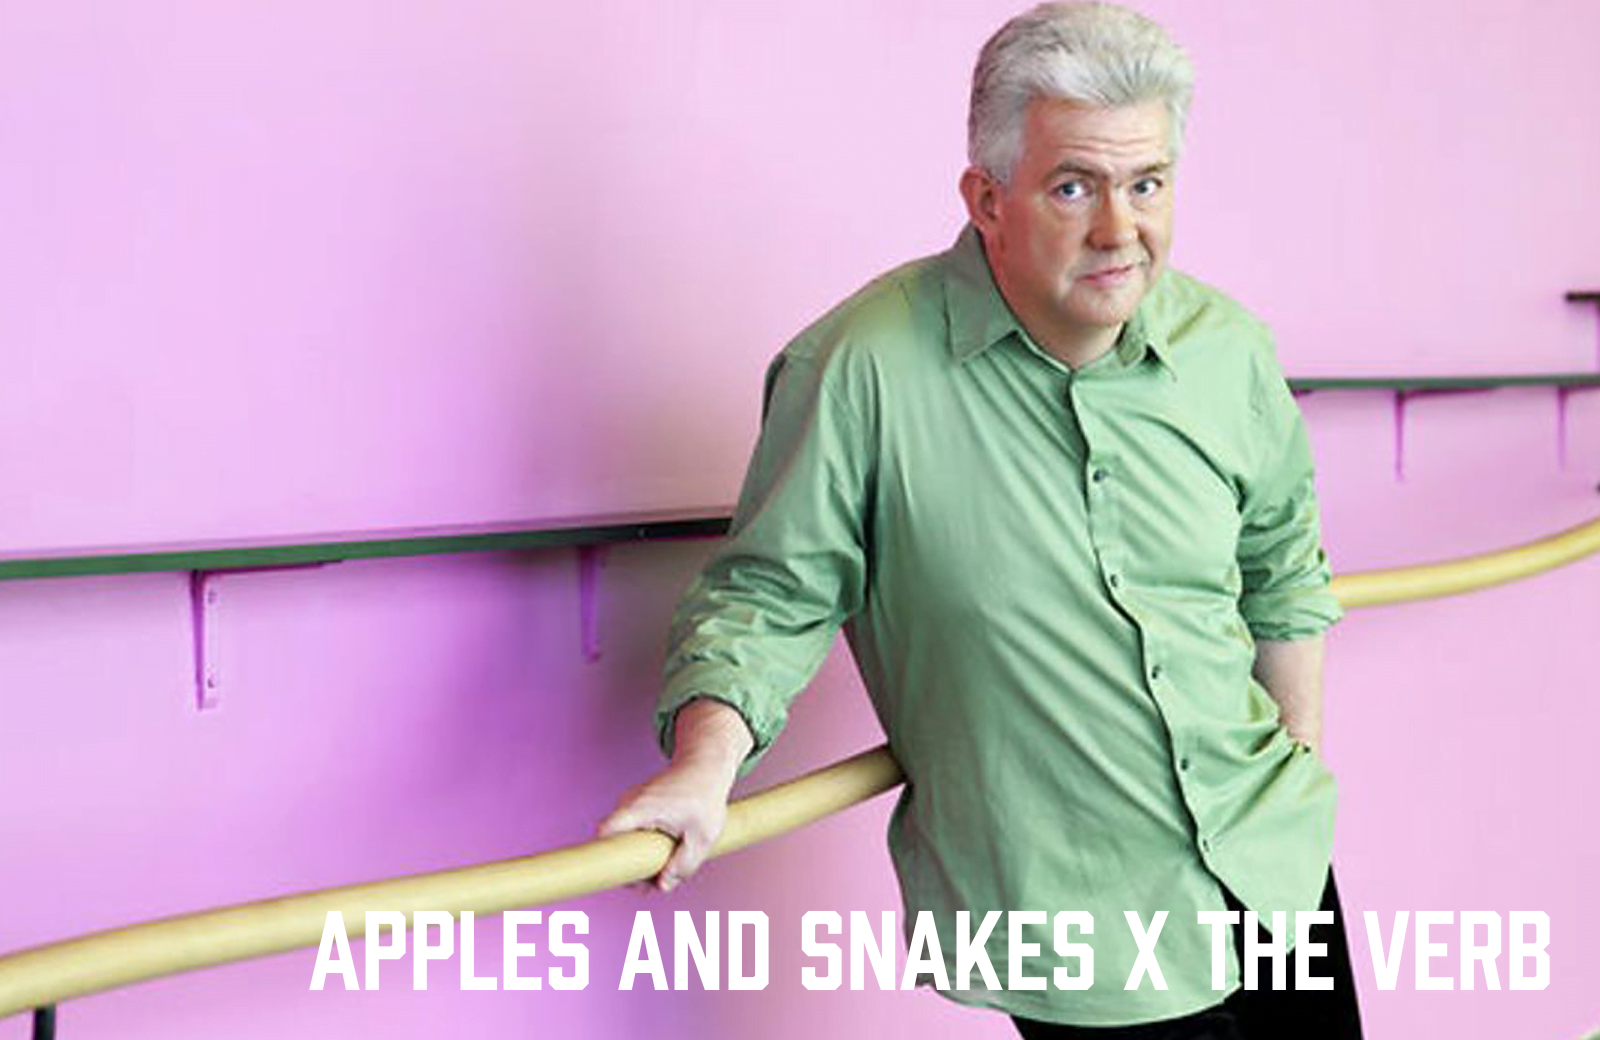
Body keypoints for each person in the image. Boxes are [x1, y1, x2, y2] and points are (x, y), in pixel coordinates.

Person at [599, 3, 1363, 1036]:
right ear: (986, 197)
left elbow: (1281, 570)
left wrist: (1299, 763)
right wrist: (704, 766)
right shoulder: (859, 367)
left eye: (1146, 184)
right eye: (1072, 186)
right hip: (1076, 917)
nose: (1118, 228)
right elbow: (769, 595)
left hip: (1270, 861)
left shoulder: (1229, 351)